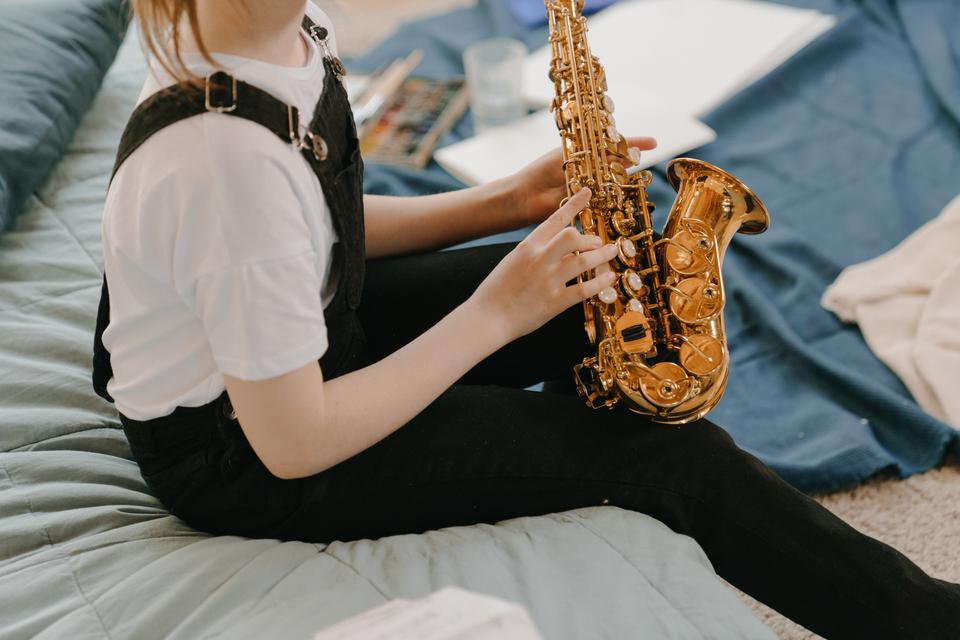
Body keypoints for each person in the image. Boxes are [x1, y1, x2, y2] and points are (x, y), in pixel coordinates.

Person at [93, 1, 960, 638]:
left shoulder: (275, 34)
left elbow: (323, 224)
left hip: (305, 340)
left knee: (599, 287)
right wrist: (493, 315)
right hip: (246, 451)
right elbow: (295, 441)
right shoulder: (221, 168)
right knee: (672, 461)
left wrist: (503, 203)